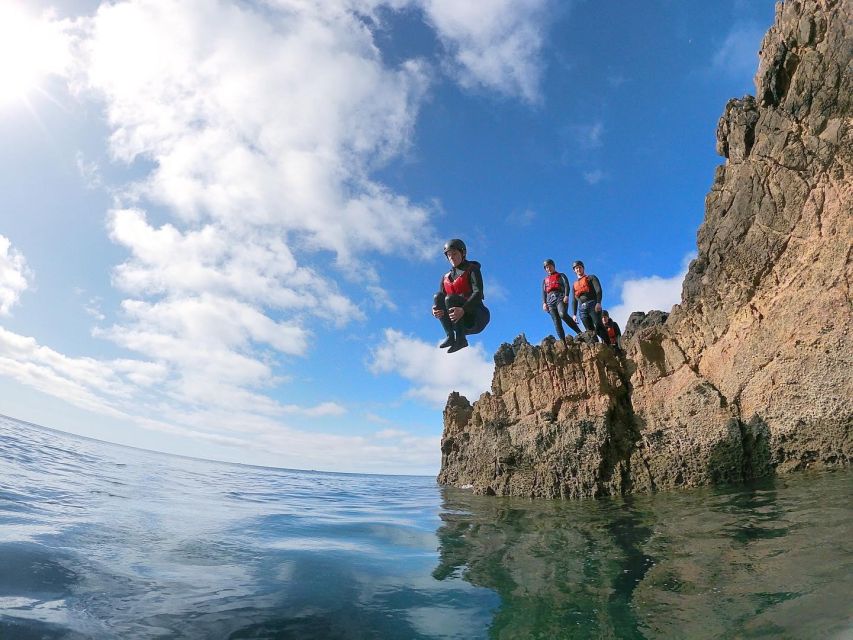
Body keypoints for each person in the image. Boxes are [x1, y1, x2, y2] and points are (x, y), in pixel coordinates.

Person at [432, 239, 490, 353]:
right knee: (438, 297)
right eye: (449, 255)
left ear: (463, 253)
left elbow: (478, 293)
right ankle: (450, 336)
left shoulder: (472, 269)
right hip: (459, 322)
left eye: (454, 254)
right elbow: (441, 301)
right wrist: (435, 310)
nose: (452, 257)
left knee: (450, 298)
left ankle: (461, 339)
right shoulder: (445, 277)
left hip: (477, 316)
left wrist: (463, 309)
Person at [541, 259, 582, 342]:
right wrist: (544, 303)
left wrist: (566, 295)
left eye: (550, 266)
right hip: (550, 300)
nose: (548, 268)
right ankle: (563, 342)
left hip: (560, 297)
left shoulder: (561, 275)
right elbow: (543, 292)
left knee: (562, 314)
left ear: (553, 266)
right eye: (546, 267)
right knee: (556, 321)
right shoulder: (545, 280)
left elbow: (567, 285)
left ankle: (579, 332)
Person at [570, 260, 610, 344]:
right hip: (582, 309)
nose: (578, 269)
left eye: (579, 267)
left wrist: (598, 302)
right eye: (576, 268)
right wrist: (574, 314)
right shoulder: (574, 285)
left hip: (593, 304)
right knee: (589, 330)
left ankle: (609, 344)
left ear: (583, 268)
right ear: (574, 271)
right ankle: (597, 347)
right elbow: (574, 300)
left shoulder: (591, 278)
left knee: (598, 325)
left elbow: (598, 290)